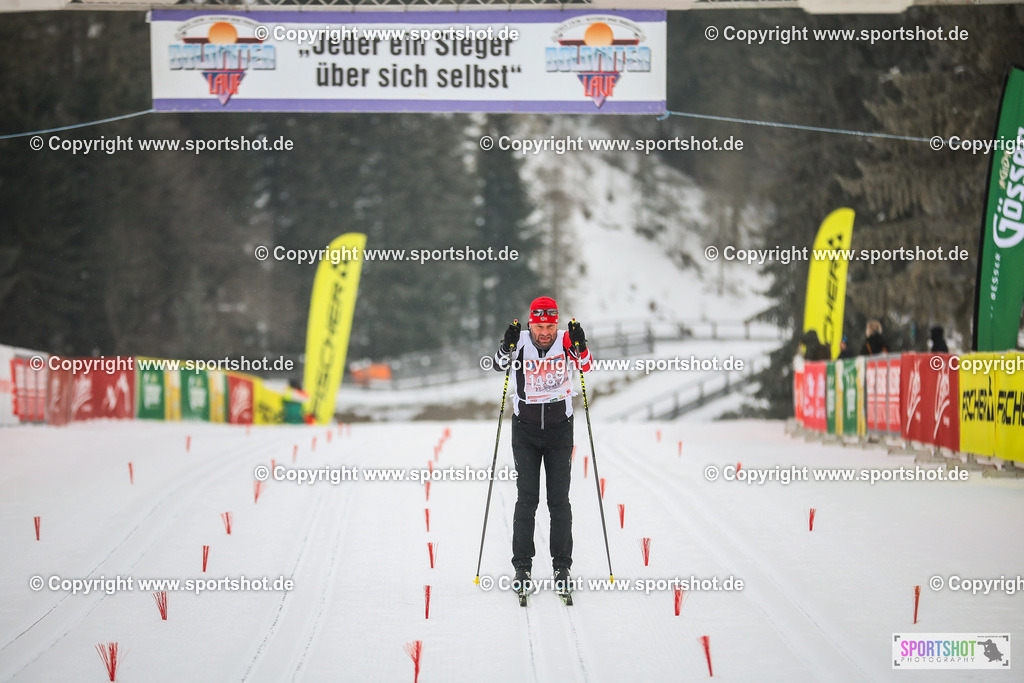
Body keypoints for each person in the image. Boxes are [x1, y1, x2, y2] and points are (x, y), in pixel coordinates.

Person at [494, 296, 592, 597]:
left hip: (559, 431)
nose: (545, 333)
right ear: (531, 324)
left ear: (556, 324)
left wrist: (581, 345)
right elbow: (498, 365)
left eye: (550, 327)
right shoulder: (520, 341)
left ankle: (562, 567)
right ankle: (522, 567)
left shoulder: (565, 340)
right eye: (540, 327)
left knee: (559, 501)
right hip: (525, 432)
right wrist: (506, 346)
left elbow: (586, 365)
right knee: (527, 499)